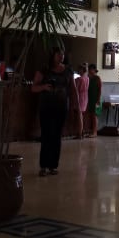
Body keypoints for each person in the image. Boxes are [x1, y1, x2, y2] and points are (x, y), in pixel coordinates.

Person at [32, 44, 81, 176]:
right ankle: (43, 166)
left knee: (57, 136)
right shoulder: (44, 69)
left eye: (62, 54)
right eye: (59, 54)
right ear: (52, 55)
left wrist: (75, 105)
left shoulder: (68, 70)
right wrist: (43, 87)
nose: (61, 56)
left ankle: (53, 165)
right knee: (46, 135)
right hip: (46, 107)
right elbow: (33, 88)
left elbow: (73, 89)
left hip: (61, 107)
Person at [87, 63, 102, 137]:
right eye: (89, 69)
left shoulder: (97, 78)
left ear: (94, 70)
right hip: (90, 99)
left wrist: (98, 99)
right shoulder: (89, 78)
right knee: (90, 115)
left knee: (94, 115)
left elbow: (100, 90)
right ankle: (91, 131)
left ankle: (95, 132)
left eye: (91, 69)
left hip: (96, 99)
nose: (90, 71)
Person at [75, 63, 89, 135]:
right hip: (85, 97)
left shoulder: (79, 79)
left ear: (82, 70)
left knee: (79, 115)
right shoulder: (87, 78)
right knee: (82, 115)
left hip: (80, 97)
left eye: (79, 69)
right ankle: (82, 131)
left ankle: (80, 133)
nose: (78, 71)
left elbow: (76, 90)